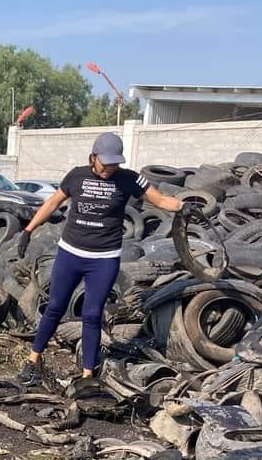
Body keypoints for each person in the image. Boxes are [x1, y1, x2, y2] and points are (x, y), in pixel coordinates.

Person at [17, 132, 191, 384]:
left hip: (104, 259)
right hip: (70, 254)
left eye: (114, 164)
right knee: (55, 306)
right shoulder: (76, 176)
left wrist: (184, 206)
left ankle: (87, 374)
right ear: (93, 157)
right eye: (105, 163)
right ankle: (33, 360)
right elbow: (53, 202)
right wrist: (28, 230)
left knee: (92, 314)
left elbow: (161, 200)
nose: (109, 168)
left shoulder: (129, 179)